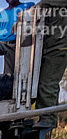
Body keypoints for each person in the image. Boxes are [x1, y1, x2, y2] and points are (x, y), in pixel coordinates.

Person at [33, 1, 67, 129]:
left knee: (47, 84)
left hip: (59, 48)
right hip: (50, 48)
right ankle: (47, 116)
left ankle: (48, 118)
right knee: (44, 83)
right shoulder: (52, 7)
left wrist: (31, 11)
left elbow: (42, 4)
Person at [0, 0, 36, 75]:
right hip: (2, 43)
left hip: (17, 43)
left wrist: (20, 20)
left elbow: (34, 14)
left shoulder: (28, 6)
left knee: (9, 74)